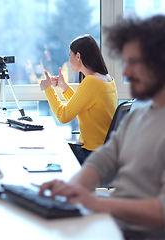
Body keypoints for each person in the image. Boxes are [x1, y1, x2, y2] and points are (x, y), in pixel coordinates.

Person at [39, 15, 165, 239]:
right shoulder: (142, 115)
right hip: (115, 222)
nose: (125, 73)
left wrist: (96, 202)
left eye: (134, 62)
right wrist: (74, 186)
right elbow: (106, 157)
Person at [40, 34, 118, 164]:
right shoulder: (107, 79)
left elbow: (63, 116)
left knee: (50, 150)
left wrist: (48, 88)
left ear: (78, 56)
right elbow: (85, 105)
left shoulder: (91, 82)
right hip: (105, 155)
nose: (69, 60)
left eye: (70, 55)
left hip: (92, 156)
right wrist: (64, 87)